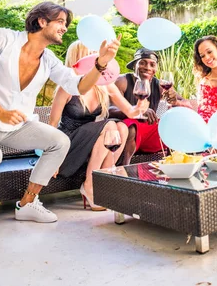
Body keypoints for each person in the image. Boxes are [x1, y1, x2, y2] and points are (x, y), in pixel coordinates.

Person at [0, 2, 121, 235]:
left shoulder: (49, 59)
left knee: (59, 142)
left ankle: (27, 203)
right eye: (61, 22)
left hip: (16, 127)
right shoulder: (3, 38)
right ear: (42, 21)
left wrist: (101, 63)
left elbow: (78, 86)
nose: (65, 28)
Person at [48, 41, 148, 211]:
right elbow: (51, 124)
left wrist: (139, 107)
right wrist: (52, 158)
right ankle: (89, 186)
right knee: (109, 126)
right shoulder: (66, 88)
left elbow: (130, 112)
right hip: (69, 145)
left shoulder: (104, 85)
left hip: (91, 143)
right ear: (79, 59)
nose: (98, 58)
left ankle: (104, 183)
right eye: (93, 54)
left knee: (122, 128)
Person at [108, 48, 190, 165]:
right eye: (142, 63)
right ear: (134, 65)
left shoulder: (160, 85)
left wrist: (175, 101)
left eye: (152, 64)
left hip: (150, 132)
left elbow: (187, 105)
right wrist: (138, 112)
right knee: (131, 126)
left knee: (173, 125)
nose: (148, 67)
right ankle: (125, 168)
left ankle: (175, 166)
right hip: (126, 132)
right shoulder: (122, 81)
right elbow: (110, 110)